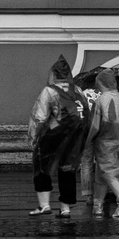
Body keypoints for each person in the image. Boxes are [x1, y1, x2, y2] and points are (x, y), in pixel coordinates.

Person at [27, 57, 88, 217]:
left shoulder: (50, 90)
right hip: (75, 135)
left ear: (53, 74)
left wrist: (33, 136)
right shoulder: (78, 90)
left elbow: (39, 117)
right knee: (67, 168)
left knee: (42, 165)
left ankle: (44, 205)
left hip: (53, 134)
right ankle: (65, 208)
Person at [81, 65, 119, 219]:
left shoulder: (101, 100)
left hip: (106, 141)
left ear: (101, 83)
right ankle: (98, 206)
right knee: (101, 174)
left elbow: (95, 125)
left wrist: (88, 139)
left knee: (107, 171)